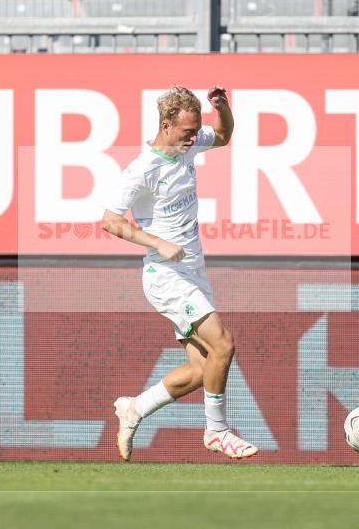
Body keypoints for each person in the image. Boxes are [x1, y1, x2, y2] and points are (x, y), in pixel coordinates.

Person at [101, 85, 258, 461]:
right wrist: (156, 243)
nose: (194, 139)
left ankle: (135, 408)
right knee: (224, 344)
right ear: (167, 125)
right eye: (188, 132)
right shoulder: (142, 170)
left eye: (195, 131)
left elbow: (222, 136)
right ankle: (217, 432)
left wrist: (222, 108)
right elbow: (109, 221)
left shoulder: (187, 144)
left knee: (203, 369)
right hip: (166, 275)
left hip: (192, 272)